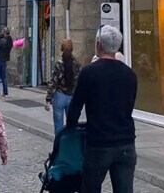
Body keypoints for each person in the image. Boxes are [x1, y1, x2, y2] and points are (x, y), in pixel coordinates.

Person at [67, 25, 137, 193]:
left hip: (99, 142)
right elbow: (129, 105)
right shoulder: (130, 74)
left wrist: (71, 125)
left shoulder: (89, 72)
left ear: (98, 45)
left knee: (90, 187)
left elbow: (76, 106)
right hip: (126, 141)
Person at [46, 39, 81, 134]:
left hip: (59, 95)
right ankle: (69, 144)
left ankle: (59, 145)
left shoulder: (59, 64)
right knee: (72, 124)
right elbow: (78, 81)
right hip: (72, 96)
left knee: (58, 125)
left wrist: (48, 99)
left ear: (62, 49)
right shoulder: (77, 64)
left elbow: (54, 82)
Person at [0, 29, 13, 97]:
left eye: (3, 32)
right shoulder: (10, 40)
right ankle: (5, 92)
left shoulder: (2, 41)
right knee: (3, 77)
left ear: (5, 33)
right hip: (5, 59)